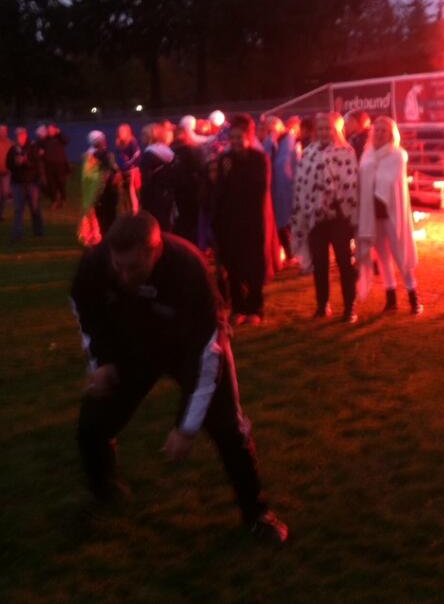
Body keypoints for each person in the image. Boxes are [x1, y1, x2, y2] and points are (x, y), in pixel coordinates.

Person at [69, 211, 288, 543]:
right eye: (118, 266)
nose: (123, 275)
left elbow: (208, 353)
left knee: (229, 428)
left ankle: (257, 513)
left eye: (133, 267)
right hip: (134, 346)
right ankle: (105, 492)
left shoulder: (189, 270)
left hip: (190, 348)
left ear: (154, 251)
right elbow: (84, 308)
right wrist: (101, 360)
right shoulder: (97, 263)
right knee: (92, 424)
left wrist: (186, 428)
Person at [292, 112, 360, 321]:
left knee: (344, 263)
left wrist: (334, 201)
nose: (323, 132)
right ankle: (323, 305)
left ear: (335, 130)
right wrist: (307, 209)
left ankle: (350, 307)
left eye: (327, 128)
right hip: (316, 219)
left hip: (339, 217)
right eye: (320, 128)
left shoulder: (346, 151)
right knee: (319, 263)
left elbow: (350, 184)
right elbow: (302, 184)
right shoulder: (309, 152)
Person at [213, 115, 275, 325]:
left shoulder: (259, 159)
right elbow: (220, 189)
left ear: (248, 137)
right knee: (234, 265)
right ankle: (238, 307)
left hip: (254, 220)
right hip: (231, 221)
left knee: (254, 265)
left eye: (239, 137)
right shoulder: (225, 160)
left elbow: (260, 191)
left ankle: (255, 307)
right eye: (232, 138)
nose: (236, 141)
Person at [357, 116, 421, 314]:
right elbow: (362, 178)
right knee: (382, 256)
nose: (379, 133)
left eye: (384, 130)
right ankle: (390, 297)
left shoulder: (398, 155)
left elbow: (388, 178)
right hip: (372, 212)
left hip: (391, 210)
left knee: (400, 253)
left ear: (392, 134)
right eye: (376, 130)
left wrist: (374, 179)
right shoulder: (367, 154)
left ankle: (413, 296)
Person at [265, 116, 299, 265]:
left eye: (271, 129)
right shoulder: (275, 142)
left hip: (286, 189)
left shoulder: (289, 142)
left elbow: (292, 164)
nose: (269, 132)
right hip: (277, 189)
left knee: (287, 222)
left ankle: (292, 253)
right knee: (282, 223)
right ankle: (289, 253)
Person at [170, 118, 207, 247]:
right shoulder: (192, 150)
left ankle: (183, 245)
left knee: (183, 220)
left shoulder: (171, 151)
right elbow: (201, 169)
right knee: (193, 221)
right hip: (192, 191)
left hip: (179, 192)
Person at [138, 122, 177, 237]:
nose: (141, 138)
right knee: (167, 225)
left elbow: (146, 180)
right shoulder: (169, 152)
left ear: (150, 137)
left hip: (153, 196)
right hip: (168, 194)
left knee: (154, 228)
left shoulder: (148, 155)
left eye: (144, 135)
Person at [80, 131, 120, 245]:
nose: (105, 141)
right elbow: (106, 173)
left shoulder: (90, 155)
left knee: (104, 217)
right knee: (106, 217)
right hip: (104, 191)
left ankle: (105, 238)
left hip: (102, 191)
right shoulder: (101, 155)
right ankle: (107, 239)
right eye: (102, 139)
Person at [6, 126, 45, 241]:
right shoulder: (13, 149)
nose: (18, 137)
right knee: (18, 209)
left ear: (25, 135)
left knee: (35, 208)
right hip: (17, 183)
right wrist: (15, 163)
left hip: (32, 182)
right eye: (16, 135)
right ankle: (17, 234)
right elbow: (7, 164)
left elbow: (37, 164)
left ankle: (39, 231)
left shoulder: (33, 147)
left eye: (20, 135)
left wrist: (26, 162)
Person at [40, 124, 71, 208]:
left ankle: (63, 199)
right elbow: (40, 147)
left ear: (55, 129)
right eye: (48, 129)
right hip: (49, 165)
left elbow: (66, 141)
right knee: (51, 184)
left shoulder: (59, 138)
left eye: (51, 129)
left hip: (59, 164)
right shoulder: (45, 139)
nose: (50, 131)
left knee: (61, 183)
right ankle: (54, 201)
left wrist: (59, 133)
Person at [113, 123, 141, 216]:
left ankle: (134, 212)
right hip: (122, 172)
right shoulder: (118, 142)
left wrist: (128, 166)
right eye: (119, 131)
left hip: (131, 171)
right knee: (122, 194)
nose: (120, 133)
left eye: (122, 131)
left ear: (128, 132)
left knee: (131, 192)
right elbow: (117, 157)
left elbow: (136, 156)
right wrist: (117, 166)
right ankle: (125, 212)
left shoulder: (132, 141)